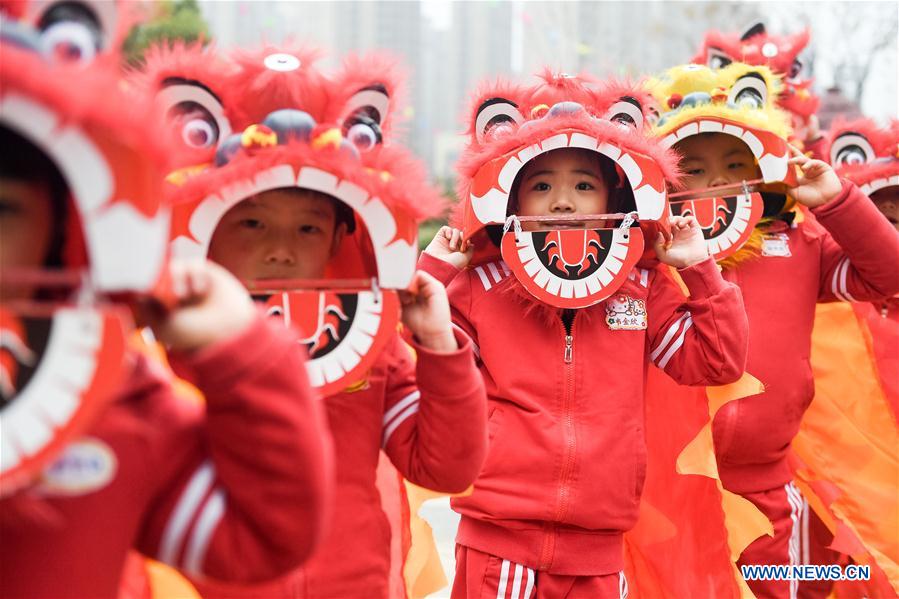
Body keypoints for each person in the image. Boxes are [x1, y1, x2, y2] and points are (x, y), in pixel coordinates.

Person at [0, 25, 333, 597]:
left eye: (1, 207)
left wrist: (242, 353)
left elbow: (260, 536)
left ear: (63, 229)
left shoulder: (113, 395)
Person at [155, 45, 489, 598]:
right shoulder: (166, 345)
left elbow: (446, 468)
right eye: (253, 222)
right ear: (208, 229)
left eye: (307, 229)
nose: (280, 250)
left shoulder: (370, 343)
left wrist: (435, 341)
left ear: (340, 237)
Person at [420, 71, 749, 598]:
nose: (564, 203)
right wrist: (437, 273)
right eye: (542, 185)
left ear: (613, 194)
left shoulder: (640, 288)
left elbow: (716, 363)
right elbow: (413, 357)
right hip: (495, 542)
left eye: (584, 185)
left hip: (600, 548)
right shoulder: (480, 286)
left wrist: (700, 269)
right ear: (511, 198)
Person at [650, 62, 899, 599]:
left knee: (782, 587)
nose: (716, 181)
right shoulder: (644, 257)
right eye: (693, 167)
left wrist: (838, 200)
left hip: (765, 484)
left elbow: (890, 276)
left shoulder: (800, 244)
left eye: (735, 163)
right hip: (664, 490)